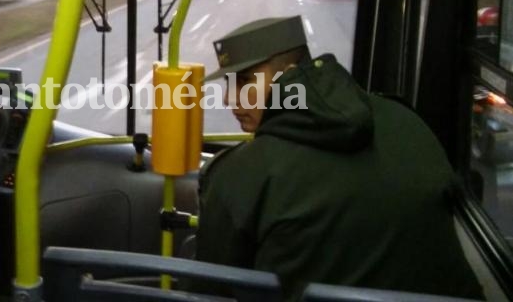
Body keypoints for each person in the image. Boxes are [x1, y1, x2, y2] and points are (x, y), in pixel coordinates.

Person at [194, 16, 484, 300]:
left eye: (244, 81)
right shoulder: (407, 121)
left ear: (289, 75)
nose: (230, 99)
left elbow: (211, 285)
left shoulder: (241, 172)